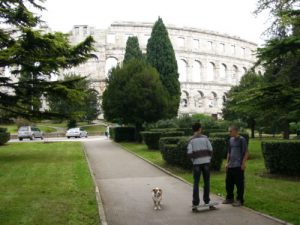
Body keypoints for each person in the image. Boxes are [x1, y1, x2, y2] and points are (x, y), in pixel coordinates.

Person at [187, 122, 214, 212]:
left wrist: (194, 161)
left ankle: (195, 203)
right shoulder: (205, 138)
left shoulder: (191, 140)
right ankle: (207, 201)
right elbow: (211, 149)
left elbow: (189, 153)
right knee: (207, 182)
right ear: (199, 129)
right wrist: (208, 159)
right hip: (206, 162)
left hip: (196, 164)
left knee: (196, 183)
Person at [223, 125, 249, 206]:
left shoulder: (242, 140)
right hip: (230, 165)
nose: (229, 133)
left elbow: (246, 152)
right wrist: (227, 163)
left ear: (235, 131)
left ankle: (240, 200)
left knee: (239, 184)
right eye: (229, 131)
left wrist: (243, 163)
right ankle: (230, 198)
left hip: (238, 165)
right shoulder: (230, 139)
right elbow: (229, 152)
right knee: (228, 183)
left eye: (230, 131)